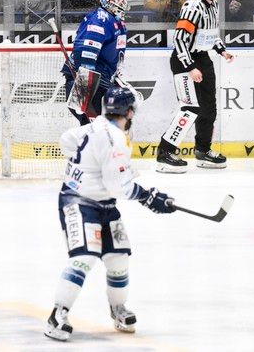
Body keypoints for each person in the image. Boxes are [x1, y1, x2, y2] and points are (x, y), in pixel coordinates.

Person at [46, 85, 174, 341]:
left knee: (118, 257)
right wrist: (149, 197)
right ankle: (57, 315)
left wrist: (83, 166)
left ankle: (118, 310)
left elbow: (67, 140)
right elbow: (119, 186)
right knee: (84, 257)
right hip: (79, 203)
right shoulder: (115, 137)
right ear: (129, 112)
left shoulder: (94, 126)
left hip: (103, 204)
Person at [155, 0, 234, 172]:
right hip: (184, 61)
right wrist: (190, 67)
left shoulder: (214, 6)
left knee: (209, 109)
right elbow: (180, 40)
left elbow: (210, 34)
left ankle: (202, 151)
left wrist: (222, 50)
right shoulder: (192, 7)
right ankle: (165, 152)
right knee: (190, 108)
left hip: (203, 59)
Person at [62, 0, 130, 125]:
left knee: (104, 128)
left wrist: (117, 78)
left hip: (101, 82)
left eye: (124, 0)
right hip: (86, 83)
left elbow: (116, 58)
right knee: (94, 129)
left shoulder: (117, 22)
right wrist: (82, 92)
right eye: (120, 0)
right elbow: (85, 52)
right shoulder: (99, 19)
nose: (123, 4)